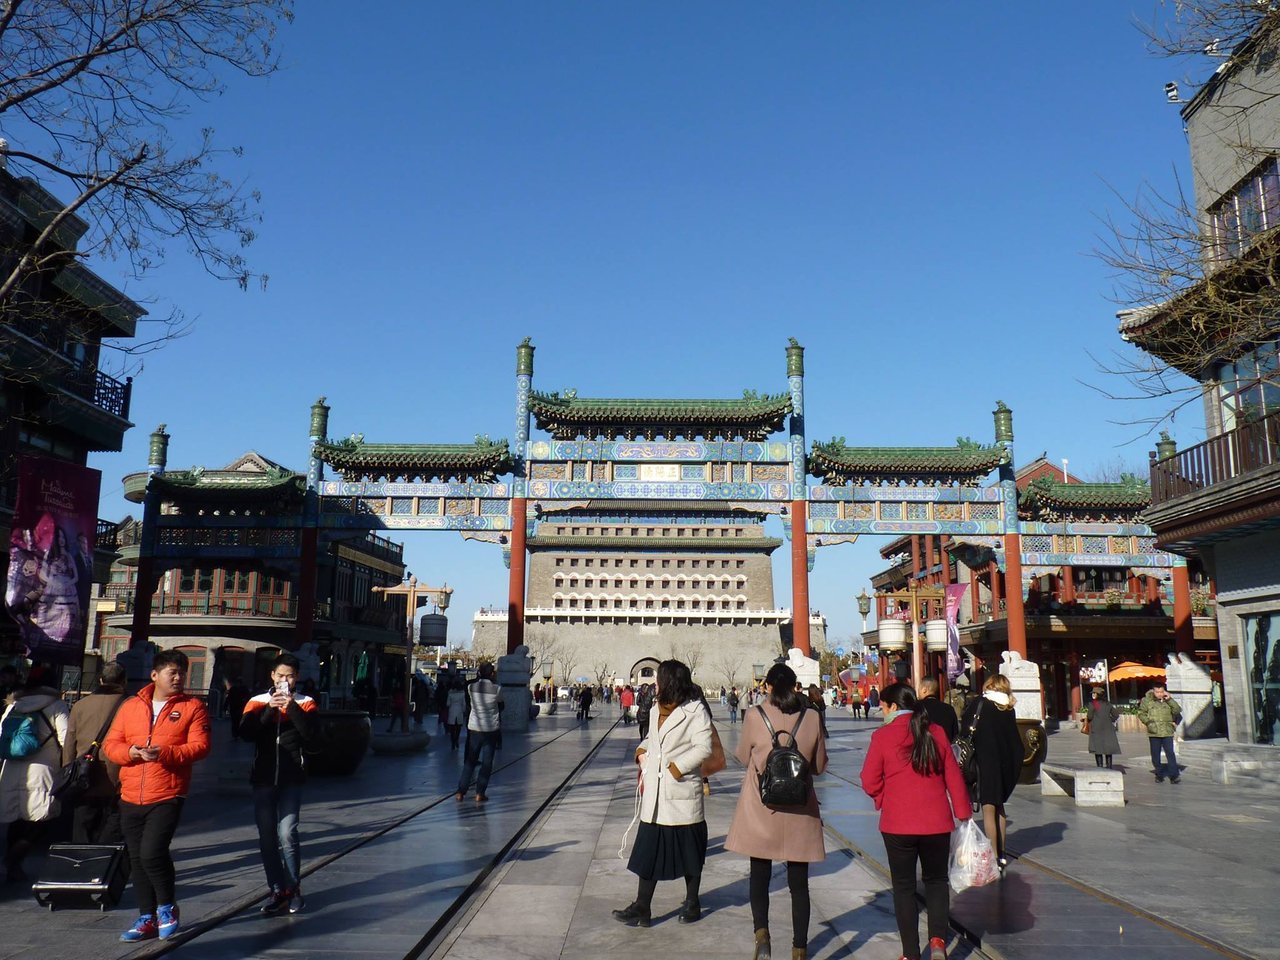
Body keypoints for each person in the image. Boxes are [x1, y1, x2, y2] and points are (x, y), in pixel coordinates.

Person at [103, 649, 211, 942]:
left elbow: (200, 746)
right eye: (171, 673)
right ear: (155, 675)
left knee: (153, 852)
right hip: (130, 792)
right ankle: (146, 916)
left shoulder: (193, 707)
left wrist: (167, 753)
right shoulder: (130, 706)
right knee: (137, 858)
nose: (177, 678)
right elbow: (110, 745)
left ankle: (167, 906)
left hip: (167, 791)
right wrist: (131, 752)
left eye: (181, 674)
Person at [860, 683, 970, 960]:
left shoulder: (883, 736)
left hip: (898, 824)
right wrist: (963, 812)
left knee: (904, 887)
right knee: (936, 881)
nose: (882, 712)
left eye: (883, 707)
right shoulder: (936, 732)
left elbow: (869, 780)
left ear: (893, 707)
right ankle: (937, 942)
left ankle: (910, 953)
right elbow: (953, 777)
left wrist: (884, 797)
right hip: (937, 822)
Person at [726, 663, 828, 960]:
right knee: (799, 884)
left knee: (759, 875)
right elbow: (820, 767)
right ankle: (799, 948)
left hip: (762, 808)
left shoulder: (754, 715)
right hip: (800, 811)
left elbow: (743, 756)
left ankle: (762, 938)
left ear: (767, 686)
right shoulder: (812, 716)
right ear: (796, 686)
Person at [613, 659, 712, 928]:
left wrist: (677, 768)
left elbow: (704, 747)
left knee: (690, 852)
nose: (654, 683)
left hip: (679, 791)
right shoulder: (657, 709)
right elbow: (653, 740)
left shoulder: (695, 711)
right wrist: (642, 751)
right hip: (656, 795)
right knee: (648, 851)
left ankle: (692, 902)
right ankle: (642, 907)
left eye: (659, 678)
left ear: (671, 681)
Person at [239, 653, 317, 917]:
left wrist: (291, 706)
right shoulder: (257, 701)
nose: (285, 680)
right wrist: (270, 709)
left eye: (291, 676)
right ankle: (277, 890)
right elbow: (247, 733)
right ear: (272, 675)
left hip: (292, 777)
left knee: (287, 833)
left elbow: (311, 734)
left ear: (297, 677)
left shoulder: (306, 702)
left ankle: (293, 889)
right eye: (281, 675)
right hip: (263, 777)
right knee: (267, 837)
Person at [0, 669, 69, 882]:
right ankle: (13, 859)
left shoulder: (13, 706)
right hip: (43, 768)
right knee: (40, 819)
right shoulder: (56, 705)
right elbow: (66, 738)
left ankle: (13, 864)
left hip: (11, 767)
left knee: (15, 818)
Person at [960, 674, 1022, 874]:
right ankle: (1002, 854)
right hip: (1005, 764)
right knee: (999, 808)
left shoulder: (981, 703)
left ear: (989, 685)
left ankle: (994, 856)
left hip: (985, 762)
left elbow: (965, 729)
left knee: (988, 808)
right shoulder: (1008, 708)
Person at [62, 662, 128, 844]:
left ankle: (80, 863)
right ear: (124, 681)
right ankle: (105, 864)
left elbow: (70, 742)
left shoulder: (80, 705)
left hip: (85, 771)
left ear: (100, 680)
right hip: (117, 771)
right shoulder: (130, 704)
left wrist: (68, 769)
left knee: (83, 821)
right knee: (112, 822)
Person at [455, 662, 504, 803]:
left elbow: (471, 704)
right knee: (487, 763)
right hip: (490, 729)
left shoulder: (471, 687)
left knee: (470, 760)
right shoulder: (497, 689)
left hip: (475, 727)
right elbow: (501, 704)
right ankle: (480, 793)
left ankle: (460, 791)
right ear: (492, 674)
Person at [1137, 680, 1182, 783]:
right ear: (1153, 691)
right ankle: (1159, 774)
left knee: (1170, 753)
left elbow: (1177, 710)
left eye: (1161, 691)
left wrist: (1170, 699)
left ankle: (1174, 775)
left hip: (1167, 731)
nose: (1159, 694)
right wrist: (1148, 723)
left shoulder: (1168, 700)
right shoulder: (1146, 700)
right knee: (1155, 754)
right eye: (1157, 692)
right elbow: (1141, 713)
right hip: (1154, 731)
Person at [1083, 686, 1121, 769]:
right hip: (1108, 729)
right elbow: (1116, 715)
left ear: (1098, 694)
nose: (1093, 694)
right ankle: (1109, 766)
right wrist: (1109, 720)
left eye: (1094, 693)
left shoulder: (1094, 703)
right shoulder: (1108, 704)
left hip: (1096, 728)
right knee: (1108, 748)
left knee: (1098, 748)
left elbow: (1090, 716)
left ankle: (1100, 767)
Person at [916, 677, 958, 742]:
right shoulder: (949, 709)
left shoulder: (917, 707)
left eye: (919, 689)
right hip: (945, 748)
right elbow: (955, 735)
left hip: (924, 749)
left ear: (924, 690)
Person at [446, 679, 466, 750]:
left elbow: (448, 703)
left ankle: (452, 742)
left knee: (452, 728)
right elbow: (464, 704)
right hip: (459, 710)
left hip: (452, 710)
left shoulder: (450, 693)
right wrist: (464, 710)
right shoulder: (462, 693)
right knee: (458, 728)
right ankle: (456, 739)